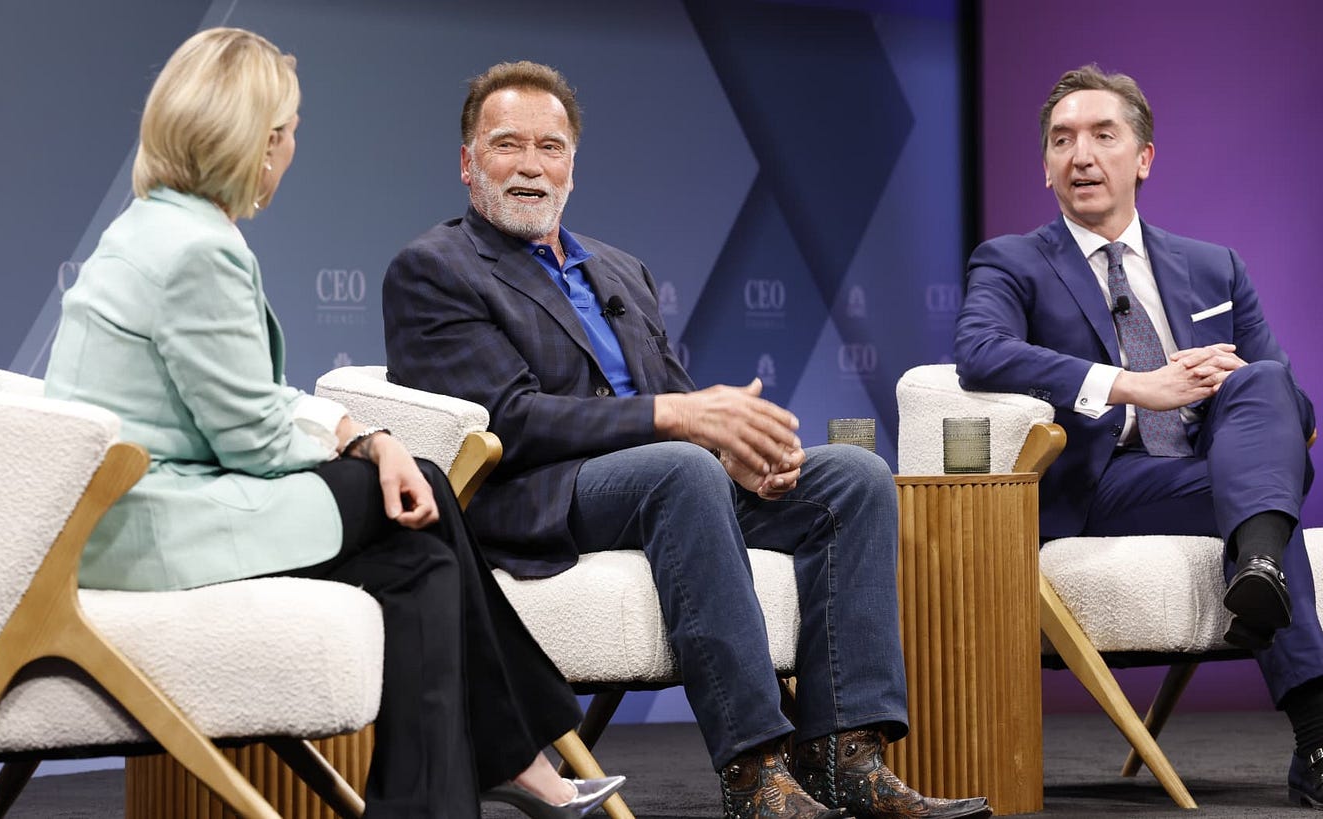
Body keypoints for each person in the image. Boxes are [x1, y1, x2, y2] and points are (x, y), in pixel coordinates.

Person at [382, 60, 991, 819]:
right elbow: (511, 418)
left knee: (852, 477)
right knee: (678, 466)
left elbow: (671, 395)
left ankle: (843, 755)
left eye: (551, 146)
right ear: (468, 163)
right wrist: (683, 424)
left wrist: (735, 451)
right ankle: (754, 768)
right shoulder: (435, 269)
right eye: (507, 145)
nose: (531, 165)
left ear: (574, 162)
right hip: (539, 496)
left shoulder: (618, 268)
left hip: (666, 484)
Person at [42, 29, 623, 819]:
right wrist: (371, 447)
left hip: (136, 507)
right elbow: (249, 438)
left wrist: (362, 435)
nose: (291, 150)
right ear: (259, 142)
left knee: (418, 563)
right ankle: (519, 755)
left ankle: (484, 776)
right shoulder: (199, 251)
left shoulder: (153, 225)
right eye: (288, 132)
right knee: (419, 498)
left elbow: (245, 397)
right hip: (151, 523)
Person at [954, 64, 1323, 808]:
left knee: (1258, 382)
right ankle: (1316, 727)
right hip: (1100, 485)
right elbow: (979, 351)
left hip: (1205, 469)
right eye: (1062, 140)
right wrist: (1130, 385)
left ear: (1144, 157)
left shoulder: (1212, 265)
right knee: (1265, 501)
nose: (1080, 154)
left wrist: (1226, 375)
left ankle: (1256, 563)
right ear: (1046, 164)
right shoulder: (1014, 260)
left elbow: (1295, 412)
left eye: (1102, 135)